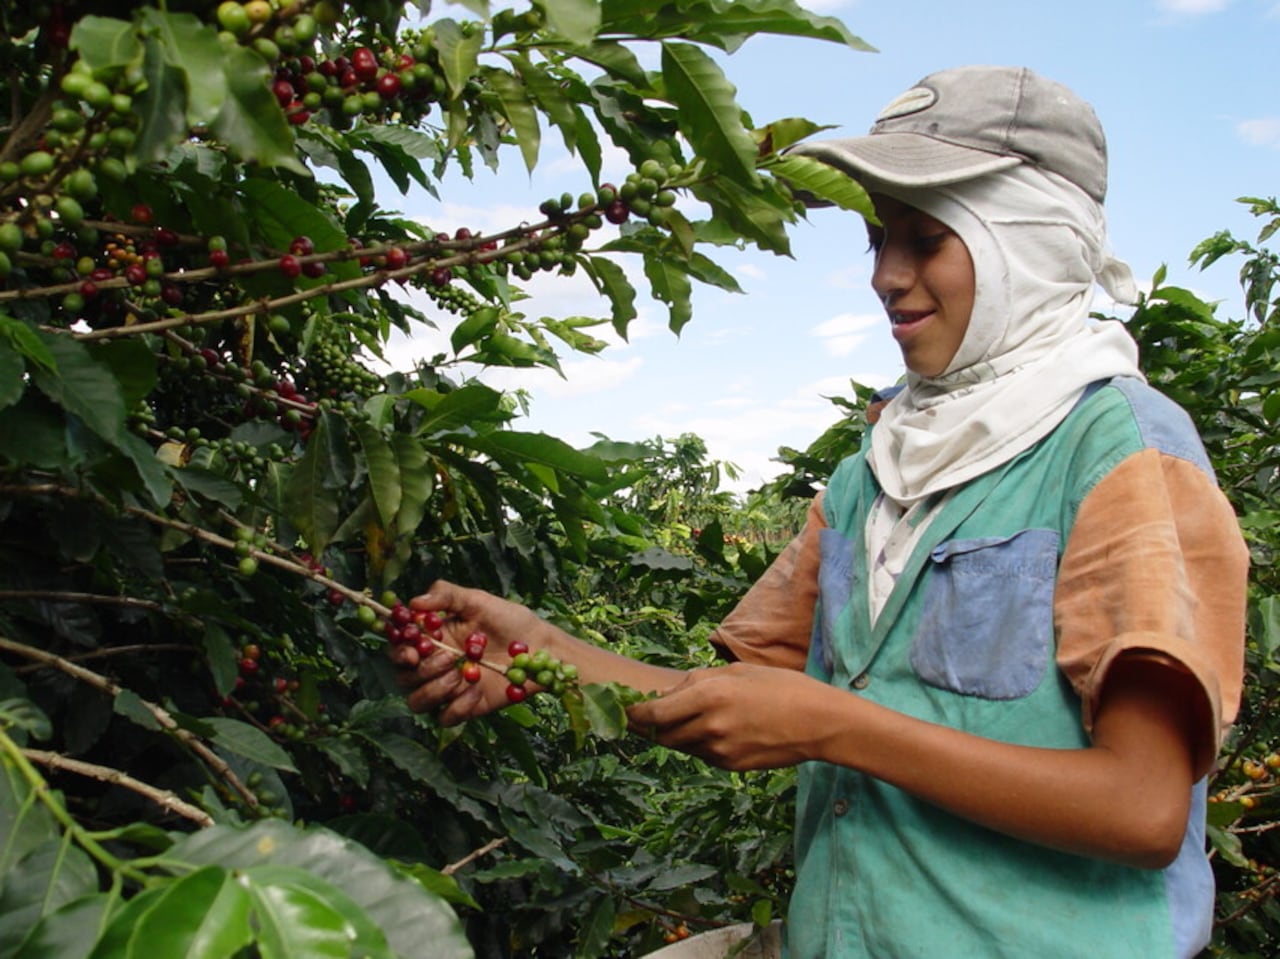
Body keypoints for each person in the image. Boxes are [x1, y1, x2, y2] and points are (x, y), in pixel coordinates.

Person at [391, 65, 1248, 958]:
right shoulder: (870, 472)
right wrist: (541, 653)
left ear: (1027, 245)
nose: (887, 274)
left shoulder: (1122, 456)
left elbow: (1143, 807)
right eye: (878, 236)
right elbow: (742, 704)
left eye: (926, 238)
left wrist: (835, 724)